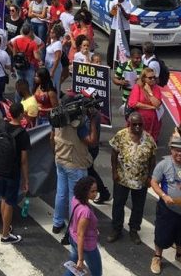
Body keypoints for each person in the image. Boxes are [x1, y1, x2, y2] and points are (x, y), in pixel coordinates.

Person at [149, 136, 181, 274]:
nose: (179, 154)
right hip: (167, 208)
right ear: (171, 150)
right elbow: (154, 182)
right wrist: (164, 196)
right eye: (176, 150)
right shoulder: (163, 165)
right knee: (162, 234)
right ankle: (157, 256)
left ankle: (180, 255)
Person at [51, 94, 98, 234]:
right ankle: (75, 226)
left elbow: (51, 137)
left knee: (61, 193)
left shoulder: (56, 118)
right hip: (75, 164)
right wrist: (93, 120)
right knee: (76, 197)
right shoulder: (78, 123)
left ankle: (57, 222)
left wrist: (56, 153)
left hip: (60, 159)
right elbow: (91, 140)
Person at [108, 111, 157, 245]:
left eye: (140, 125)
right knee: (118, 204)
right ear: (129, 124)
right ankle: (116, 229)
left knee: (138, 206)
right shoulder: (121, 135)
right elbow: (114, 154)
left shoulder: (149, 139)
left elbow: (153, 159)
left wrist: (149, 176)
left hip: (140, 180)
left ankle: (134, 229)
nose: (137, 127)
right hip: (122, 178)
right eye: (134, 124)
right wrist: (114, 172)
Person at [0, 102, 30, 245]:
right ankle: (6, 235)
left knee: (4, 198)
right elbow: (24, 160)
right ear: (20, 114)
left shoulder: (1, 126)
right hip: (13, 171)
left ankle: (5, 227)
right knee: (10, 202)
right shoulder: (22, 134)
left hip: (0, 168)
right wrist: (25, 180)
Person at [68, 175, 103, 276]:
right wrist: (81, 259)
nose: (95, 194)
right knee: (97, 273)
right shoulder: (85, 212)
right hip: (87, 245)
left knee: (72, 269)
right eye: (92, 191)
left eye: (96, 190)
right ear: (84, 191)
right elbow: (81, 234)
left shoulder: (75, 199)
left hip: (73, 238)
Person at [127, 67, 163, 140]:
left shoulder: (156, 88)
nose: (153, 79)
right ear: (144, 79)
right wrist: (151, 107)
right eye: (150, 78)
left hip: (153, 121)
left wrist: (149, 92)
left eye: (154, 77)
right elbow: (133, 103)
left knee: (150, 141)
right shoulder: (137, 87)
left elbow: (157, 104)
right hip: (139, 120)